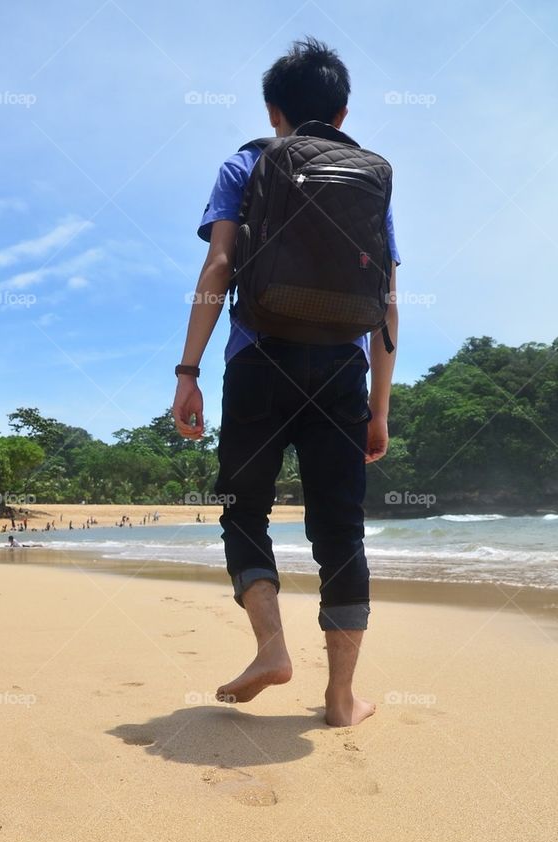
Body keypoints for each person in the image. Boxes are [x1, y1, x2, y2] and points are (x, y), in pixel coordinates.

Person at [172, 37, 399, 727]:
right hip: (340, 367)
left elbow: (217, 269)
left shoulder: (246, 162)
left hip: (256, 357)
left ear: (273, 111)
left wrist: (187, 372)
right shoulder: (369, 178)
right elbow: (386, 302)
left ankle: (271, 647)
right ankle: (340, 697)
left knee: (244, 510)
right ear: (342, 110)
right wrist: (378, 409)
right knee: (340, 530)